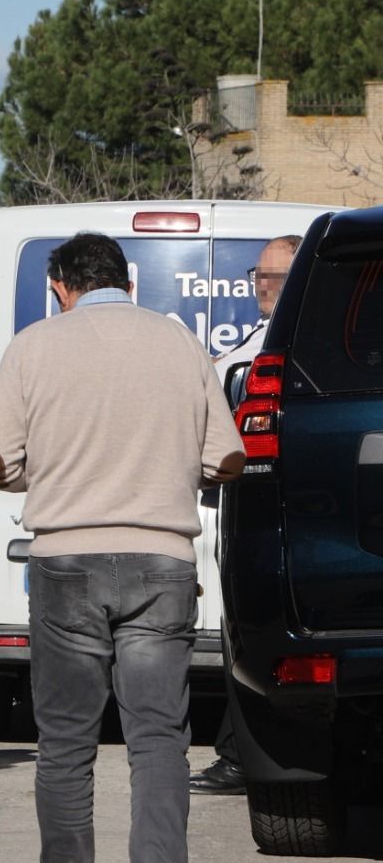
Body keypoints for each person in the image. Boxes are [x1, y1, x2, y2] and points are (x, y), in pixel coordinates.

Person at [0, 232, 244, 863]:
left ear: (61, 285)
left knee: (66, 744)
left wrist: (46, 475)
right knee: (158, 740)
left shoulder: (35, 346)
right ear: (126, 283)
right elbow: (228, 456)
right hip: (161, 562)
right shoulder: (182, 345)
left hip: (66, 564)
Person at [192, 233, 301, 796]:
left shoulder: (287, 341)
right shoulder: (261, 335)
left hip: (257, 503)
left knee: (243, 631)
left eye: (274, 276)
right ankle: (236, 749)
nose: (262, 285)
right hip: (226, 499)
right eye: (258, 275)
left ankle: (240, 754)